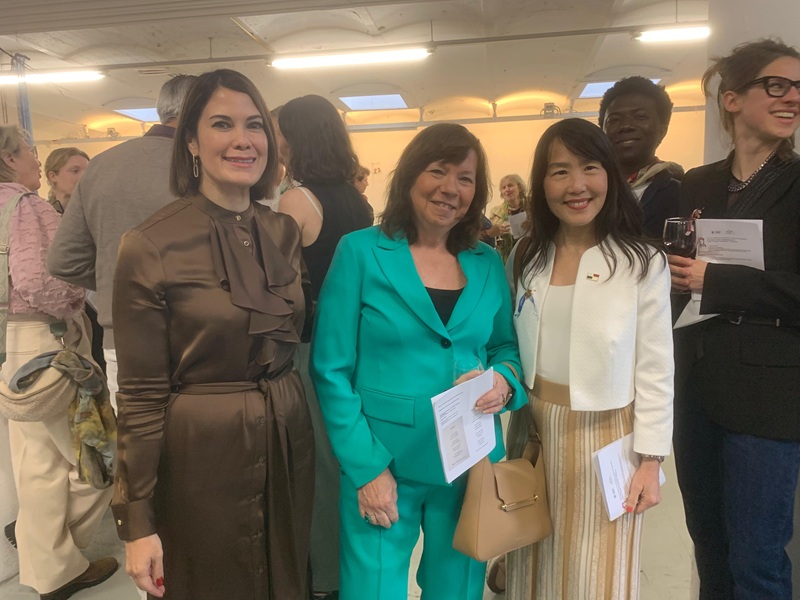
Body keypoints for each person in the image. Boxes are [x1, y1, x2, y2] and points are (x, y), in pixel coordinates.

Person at [110, 69, 314, 600]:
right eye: (222, 124)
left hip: (287, 434)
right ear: (192, 142)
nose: (243, 139)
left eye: (255, 125)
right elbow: (140, 394)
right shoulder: (150, 244)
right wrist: (137, 521)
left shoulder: (283, 232)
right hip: (201, 453)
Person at [310, 122, 526, 600]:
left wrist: (504, 382)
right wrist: (366, 468)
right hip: (384, 461)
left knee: (458, 590)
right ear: (410, 175)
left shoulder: (486, 261)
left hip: (468, 460)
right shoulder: (361, 251)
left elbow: (505, 349)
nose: (451, 188)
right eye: (438, 171)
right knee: (372, 591)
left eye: (465, 178)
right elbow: (330, 369)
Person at [506, 118, 673, 600]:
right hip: (534, 430)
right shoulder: (528, 257)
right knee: (533, 564)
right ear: (542, 185)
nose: (576, 185)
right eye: (559, 171)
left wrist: (650, 460)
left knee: (597, 574)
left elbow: (657, 369)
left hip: (608, 436)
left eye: (590, 168)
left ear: (610, 177)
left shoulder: (641, 262)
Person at [669, 39, 800, 600]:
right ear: (732, 99)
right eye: (777, 85)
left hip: (767, 396)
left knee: (757, 561)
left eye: (799, 88)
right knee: (709, 547)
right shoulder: (698, 184)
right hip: (695, 385)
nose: (792, 98)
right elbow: (684, 273)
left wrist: (717, 281)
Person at [0, 125, 117, 600]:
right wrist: (76, 299)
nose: (35, 157)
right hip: (47, 340)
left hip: (11, 345)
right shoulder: (26, 207)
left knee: (37, 462)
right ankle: (51, 557)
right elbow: (39, 280)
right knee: (100, 452)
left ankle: (49, 567)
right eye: (29, 150)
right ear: (10, 158)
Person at [47, 74, 197, 412]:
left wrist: (118, 281)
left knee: (136, 439)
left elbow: (62, 261)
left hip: (122, 337)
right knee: (203, 439)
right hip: (195, 334)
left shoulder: (101, 166)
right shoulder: (200, 166)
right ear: (197, 109)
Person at [276, 93, 373, 600]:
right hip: (356, 345)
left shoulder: (297, 201)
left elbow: (275, 285)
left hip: (311, 348)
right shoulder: (357, 200)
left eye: (278, 132)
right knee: (349, 456)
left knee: (315, 464)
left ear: (296, 137)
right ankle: (351, 567)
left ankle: (325, 580)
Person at [599, 76, 683, 237]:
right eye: (614, 120)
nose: (626, 126)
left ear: (662, 130)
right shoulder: (587, 190)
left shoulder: (681, 195)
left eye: (640, 116)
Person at [489, 173, 527, 260]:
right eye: (503, 187)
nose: (507, 189)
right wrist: (494, 231)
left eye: (510, 185)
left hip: (531, 255)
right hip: (507, 258)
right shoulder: (495, 212)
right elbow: (489, 236)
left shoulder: (533, 207)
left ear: (519, 187)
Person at [43, 147, 89, 214]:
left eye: (87, 172)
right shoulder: (43, 214)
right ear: (53, 176)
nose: (84, 177)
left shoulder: (96, 211)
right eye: (75, 171)